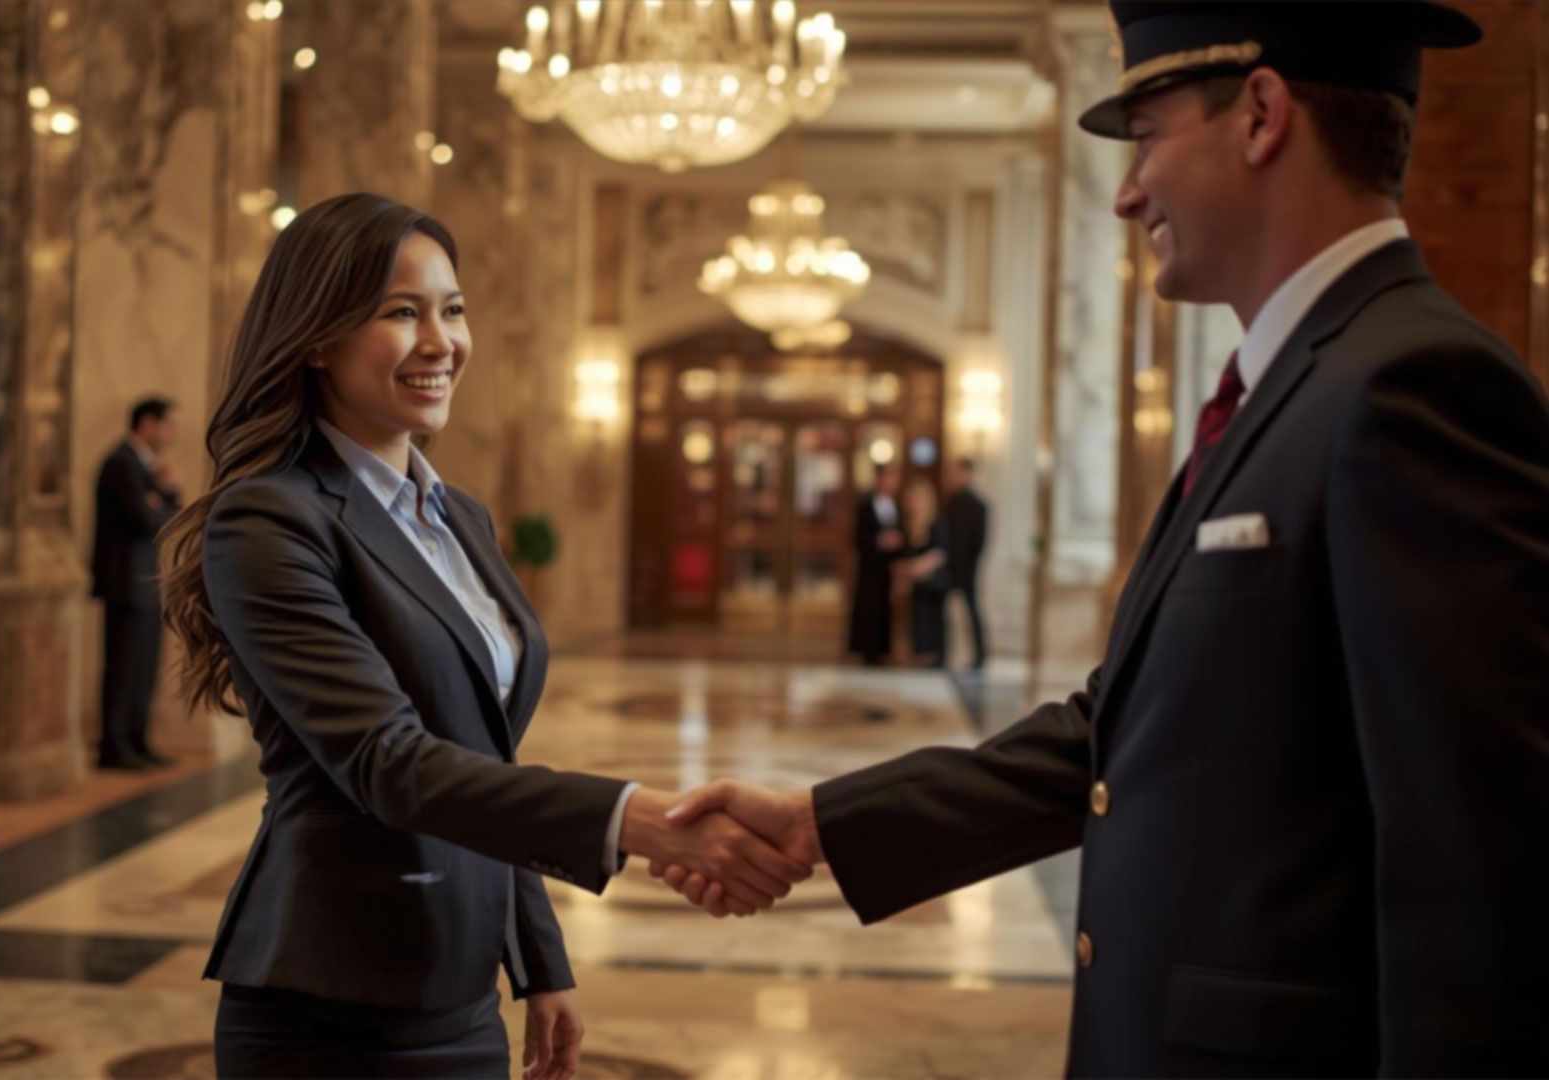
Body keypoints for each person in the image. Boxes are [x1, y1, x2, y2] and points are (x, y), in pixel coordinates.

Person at [649, 3, 1549, 1074]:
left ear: (1260, 114)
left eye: (1147, 136)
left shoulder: (1405, 386)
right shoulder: (1289, 385)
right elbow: (1121, 732)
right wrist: (819, 821)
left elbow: (1482, 858)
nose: (1125, 194)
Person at [158, 194, 809, 1079]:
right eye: (399, 312)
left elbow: (485, 754)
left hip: (461, 983)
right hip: (333, 995)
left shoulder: (458, 515)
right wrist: (644, 822)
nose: (440, 342)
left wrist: (539, 960)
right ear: (315, 336)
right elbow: (390, 763)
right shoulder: (269, 520)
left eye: (452, 309)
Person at [91, 396, 182, 770]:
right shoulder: (121, 464)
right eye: (168, 425)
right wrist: (169, 495)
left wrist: (160, 497)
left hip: (144, 584)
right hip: (125, 584)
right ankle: (114, 747)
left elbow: (158, 517)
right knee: (123, 670)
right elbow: (148, 522)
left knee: (144, 668)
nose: (172, 434)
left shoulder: (145, 470)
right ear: (147, 423)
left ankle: (138, 741)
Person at [846, 463, 903, 665]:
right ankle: (866, 650)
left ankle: (882, 650)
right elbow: (857, 537)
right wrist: (879, 541)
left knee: (885, 609)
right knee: (868, 608)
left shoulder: (897, 506)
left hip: (888, 568)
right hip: (869, 568)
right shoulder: (865, 505)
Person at [896, 477, 948, 668]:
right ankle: (918, 654)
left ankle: (935, 656)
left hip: (933, 581)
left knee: (933, 619)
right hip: (915, 582)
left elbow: (940, 553)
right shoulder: (909, 524)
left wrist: (914, 567)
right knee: (916, 620)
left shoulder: (936, 523)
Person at [941, 458, 988, 669]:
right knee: (944, 612)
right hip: (950, 566)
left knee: (972, 611)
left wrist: (967, 564)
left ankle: (980, 654)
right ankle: (943, 652)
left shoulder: (978, 505)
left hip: (967, 568)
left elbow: (978, 541)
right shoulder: (952, 502)